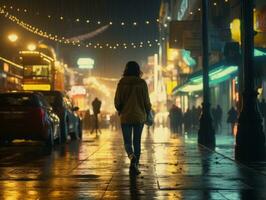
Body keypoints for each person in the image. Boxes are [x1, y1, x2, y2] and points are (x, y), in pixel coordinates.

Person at [114, 61, 151, 175]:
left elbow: (117, 101)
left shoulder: (121, 83)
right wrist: (147, 112)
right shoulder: (142, 83)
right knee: (137, 142)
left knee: (127, 142)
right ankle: (134, 166)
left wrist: (120, 110)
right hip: (139, 116)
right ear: (137, 70)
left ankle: (131, 156)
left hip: (125, 117)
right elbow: (146, 102)